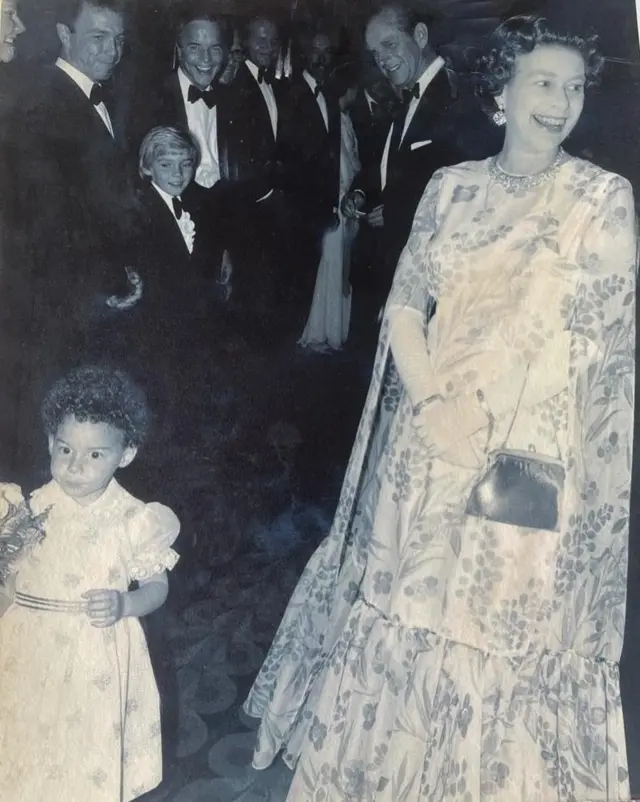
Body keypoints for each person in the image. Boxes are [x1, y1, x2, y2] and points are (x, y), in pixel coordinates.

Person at [244, 15, 637, 802]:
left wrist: (492, 434)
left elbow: (597, 353)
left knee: (494, 633)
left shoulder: (603, 200)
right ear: (500, 92)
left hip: (528, 460)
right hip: (428, 443)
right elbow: (402, 311)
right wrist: (435, 408)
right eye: (543, 83)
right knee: (412, 615)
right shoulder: (449, 189)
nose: (561, 103)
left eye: (575, 87)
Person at [0, 365, 180, 801]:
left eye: (95, 454)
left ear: (126, 454)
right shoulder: (27, 507)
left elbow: (157, 587)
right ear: (50, 443)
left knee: (83, 760)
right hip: (30, 654)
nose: (75, 466)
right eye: (65, 449)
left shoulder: (134, 519)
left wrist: (125, 604)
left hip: (94, 662)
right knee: (28, 752)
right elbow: (9, 578)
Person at [341, 3, 485, 316]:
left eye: (389, 45)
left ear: (420, 35)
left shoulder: (457, 97)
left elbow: (466, 196)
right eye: (375, 52)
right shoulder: (405, 96)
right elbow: (390, 165)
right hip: (393, 266)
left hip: (428, 279)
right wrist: (362, 190)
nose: (381, 60)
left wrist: (396, 212)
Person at [298, 64, 361, 351]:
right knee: (330, 267)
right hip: (336, 202)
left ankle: (332, 331)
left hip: (345, 203)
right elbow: (343, 166)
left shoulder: (343, 119)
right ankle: (319, 332)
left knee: (338, 268)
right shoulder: (338, 120)